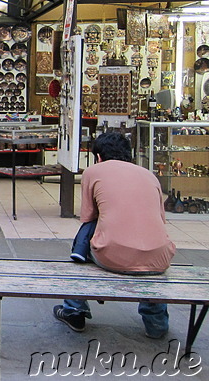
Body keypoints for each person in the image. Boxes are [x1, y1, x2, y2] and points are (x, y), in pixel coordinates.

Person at [53, 132, 175, 338]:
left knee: (86, 235)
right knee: (149, 247)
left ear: (99, 157)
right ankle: (156, 322)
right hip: (159, 257)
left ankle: (74, 309)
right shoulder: (149, 175)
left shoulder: (94, 172)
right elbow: (160, 219)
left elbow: (88, 216)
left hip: (114, 256)